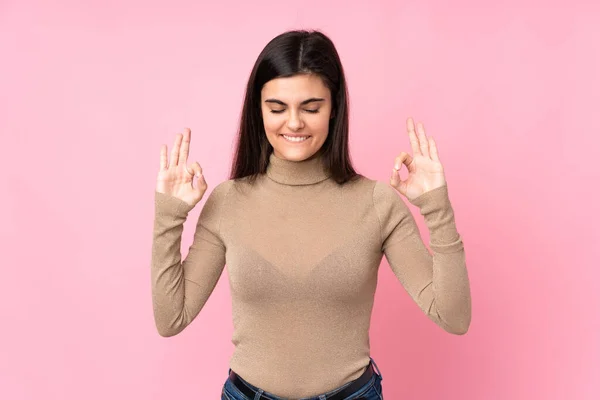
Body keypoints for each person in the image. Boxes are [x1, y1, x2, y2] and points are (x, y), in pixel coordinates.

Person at [151, 29, 471, 400]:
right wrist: (169, 217)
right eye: (277, 108)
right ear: (258, 110)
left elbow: (453, 316)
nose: (294, 123)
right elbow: (171, 318)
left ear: (334, 108)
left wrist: (437, 209)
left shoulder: (376, 202)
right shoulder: (228, 201)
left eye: (311, 108)